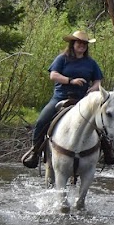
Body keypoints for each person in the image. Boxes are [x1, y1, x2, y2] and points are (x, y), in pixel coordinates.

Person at [21, 29, 105, 168]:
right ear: (73, 43)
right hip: (61, 97)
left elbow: (97, 81)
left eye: (84, 43)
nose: (82, 45)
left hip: (82, 100)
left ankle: (108, 152)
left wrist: (94, 88)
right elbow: (53, 75)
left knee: (101, 123)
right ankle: (35, 151)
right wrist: (71, 80)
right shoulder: (62, 58)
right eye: (79, 42)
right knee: (42, 120)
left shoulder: (91, 63)